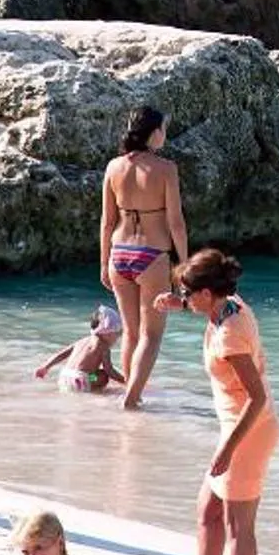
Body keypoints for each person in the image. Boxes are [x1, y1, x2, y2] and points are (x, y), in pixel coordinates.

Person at [154, 247, 279, 555]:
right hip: (234, 427)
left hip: (249, 429)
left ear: (208, 294)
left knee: (238, 527)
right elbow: (209, 300)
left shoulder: (230, 336)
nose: (185, 298)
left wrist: (227, 450)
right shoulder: (228, 305)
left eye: (189, 293)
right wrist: (180, 303)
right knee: (208, 511)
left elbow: (256, 399)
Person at [99, 106, 190, 408]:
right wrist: (186, 264)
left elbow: (107, 221)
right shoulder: (166, 169)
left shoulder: (113, 167)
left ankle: (130, 389)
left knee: (131, 332)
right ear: (154, 133)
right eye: (164, 128)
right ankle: (132, 396)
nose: (165, 134)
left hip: (119, 254)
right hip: (152, 254)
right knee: (151, 335)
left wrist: (103, 262)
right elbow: (176, 222)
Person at [33, 303, 126, 394]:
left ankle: (81, 387)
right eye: (117, 333)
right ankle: (94, 391)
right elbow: (110, 371)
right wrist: (126, 381)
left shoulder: (82, 341)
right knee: (103, 375)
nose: (117, 337)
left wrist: (45, 367)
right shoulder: (103, 347)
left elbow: (61, 354)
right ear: (107, 332)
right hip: (81, 380)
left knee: (94, 373)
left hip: (64, 376)